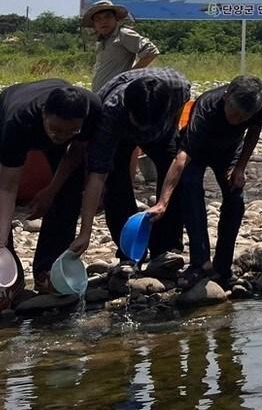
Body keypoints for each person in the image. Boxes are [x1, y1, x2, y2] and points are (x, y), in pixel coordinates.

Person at [0, 79, 100, 312]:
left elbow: (75, 154)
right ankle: (7, 279)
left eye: (70, 131)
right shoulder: (19, 121)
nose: (60, 136)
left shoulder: (91, 110)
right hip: (1, 123)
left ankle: (49, 269)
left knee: (68, 191)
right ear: (44, 114)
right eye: (56, 130)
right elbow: (6, 188)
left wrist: (51, 190)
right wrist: (1, 233)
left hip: (56, 127)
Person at [69, 68, 191, 287]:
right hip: (120, 133)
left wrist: (163, 201)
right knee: (116, 185)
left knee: (177, 179)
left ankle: (165, 250)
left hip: (163, 132)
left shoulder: (178, 88)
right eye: (141, 124)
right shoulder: (110, 111)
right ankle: (129, 255)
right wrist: (85, 231)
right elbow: (97, 176)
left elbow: (179, 152)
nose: (144, 130)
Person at [147, 75, 262, 288]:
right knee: (191, 192)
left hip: (230, 150)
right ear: (226, 97)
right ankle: (199, 262)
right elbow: (183, 157)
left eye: (242, 117)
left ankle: (222, 267)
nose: (236, 119)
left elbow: (254, 131)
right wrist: (163, 201)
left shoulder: (258, 100)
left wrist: (240, 167)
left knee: (236, 199)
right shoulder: (206, 109)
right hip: (197, 151)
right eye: (233, 112)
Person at [84, 0, 160, 92]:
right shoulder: (102, 40)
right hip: (103, 94)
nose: (103, 21)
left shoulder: (123, 34)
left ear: (115, 19)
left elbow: (151, 51)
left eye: (107, 17)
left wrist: (128, 77)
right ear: (94, 24)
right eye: (98, 19)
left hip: (117, 95)